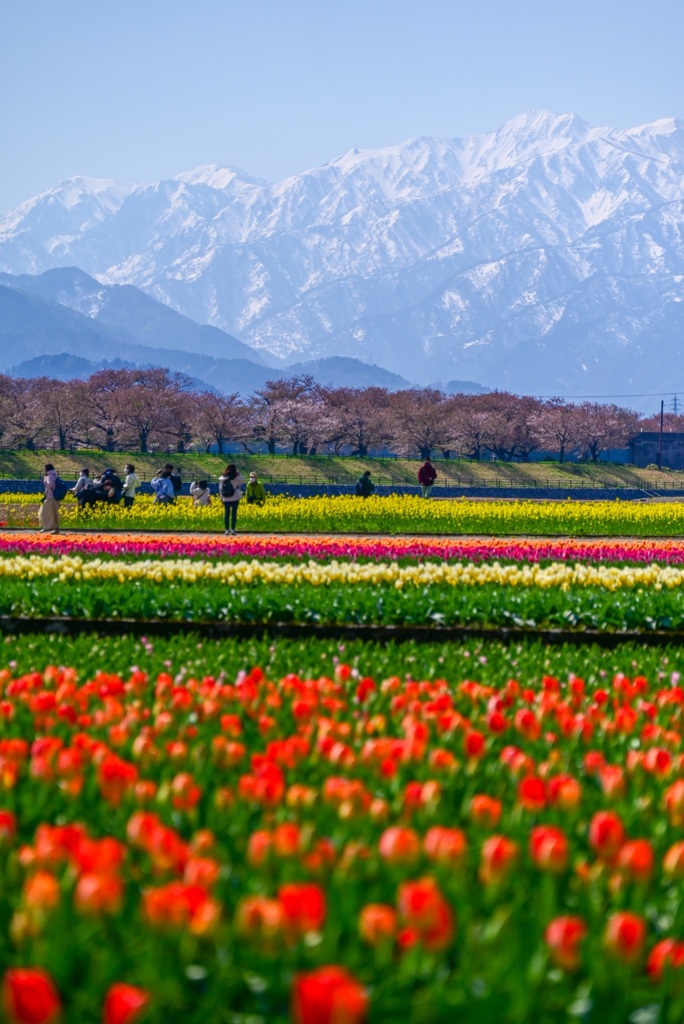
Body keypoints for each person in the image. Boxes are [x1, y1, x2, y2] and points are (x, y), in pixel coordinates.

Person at [218, 463, 245, 534]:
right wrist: (239, 474)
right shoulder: (236, 477)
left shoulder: (222, 478)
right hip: (235, 498)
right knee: (234, 514)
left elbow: (220, 488)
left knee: (227, 513)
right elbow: (243, 480)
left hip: (226, 498)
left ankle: (226, 530)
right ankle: (233, 529)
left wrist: (221, 497)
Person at [39, 463, 61, 534]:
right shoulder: (54, 475)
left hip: (51, 497)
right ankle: (51, 528)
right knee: (53, 513)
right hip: (53, 497)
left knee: (44, 512)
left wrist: (44, 481)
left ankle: (47, 527)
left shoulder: (50, 476)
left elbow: (49, 485)